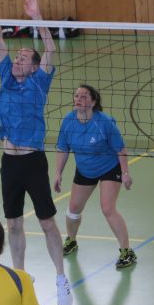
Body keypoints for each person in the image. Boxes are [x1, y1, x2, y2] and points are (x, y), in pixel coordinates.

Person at [0, 0, 72, 305]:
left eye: (23, 57)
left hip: (33, 161)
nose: (17, 60)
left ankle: (61, 278)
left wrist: (37, 16)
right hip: (9, 163)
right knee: (14, 224)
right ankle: (20, 278)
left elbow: (50, 48)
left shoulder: (39, 82)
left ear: (34, 67)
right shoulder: (5, 76)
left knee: (47, 222)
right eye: (17, 56)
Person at [53, 84, 137, 270]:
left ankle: (127, 251)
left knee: (107, 208)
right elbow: (63, 148)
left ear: (92, 102)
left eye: (83, 97)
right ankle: (71, 240)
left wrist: (125, 173)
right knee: (73, 209)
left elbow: (120, 148)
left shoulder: (104, 122)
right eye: (76, 96)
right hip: (85, 168)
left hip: (109, 167)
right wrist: (58, 173)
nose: (78, 99)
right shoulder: (68, 121)